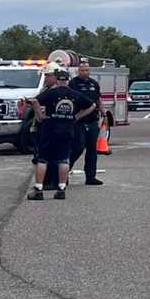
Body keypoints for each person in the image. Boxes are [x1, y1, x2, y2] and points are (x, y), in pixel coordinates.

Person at [28, 66, 96, 200]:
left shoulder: (51, 93)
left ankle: (39, 189)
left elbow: (35, 101)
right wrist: (77, 116)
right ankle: (61, 188)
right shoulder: (75, 94)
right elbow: (93, 105)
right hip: (67, 130)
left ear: (57, 80)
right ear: (68, 80)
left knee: (43, 159)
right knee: (64, 159)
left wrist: (40, 115)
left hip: (50, 129)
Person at [67, 59, 104, 186]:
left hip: (93, 120)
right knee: (77, 148)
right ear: (78, 71)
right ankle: (64, 173)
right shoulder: (73, 83)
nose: (84, 72)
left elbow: (98, 99)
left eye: (87, 70)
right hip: (79, 121)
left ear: (90, 70)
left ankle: (90, 177)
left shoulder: (94, 83)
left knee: (92, 150)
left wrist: (103, 111)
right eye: (82, 70)